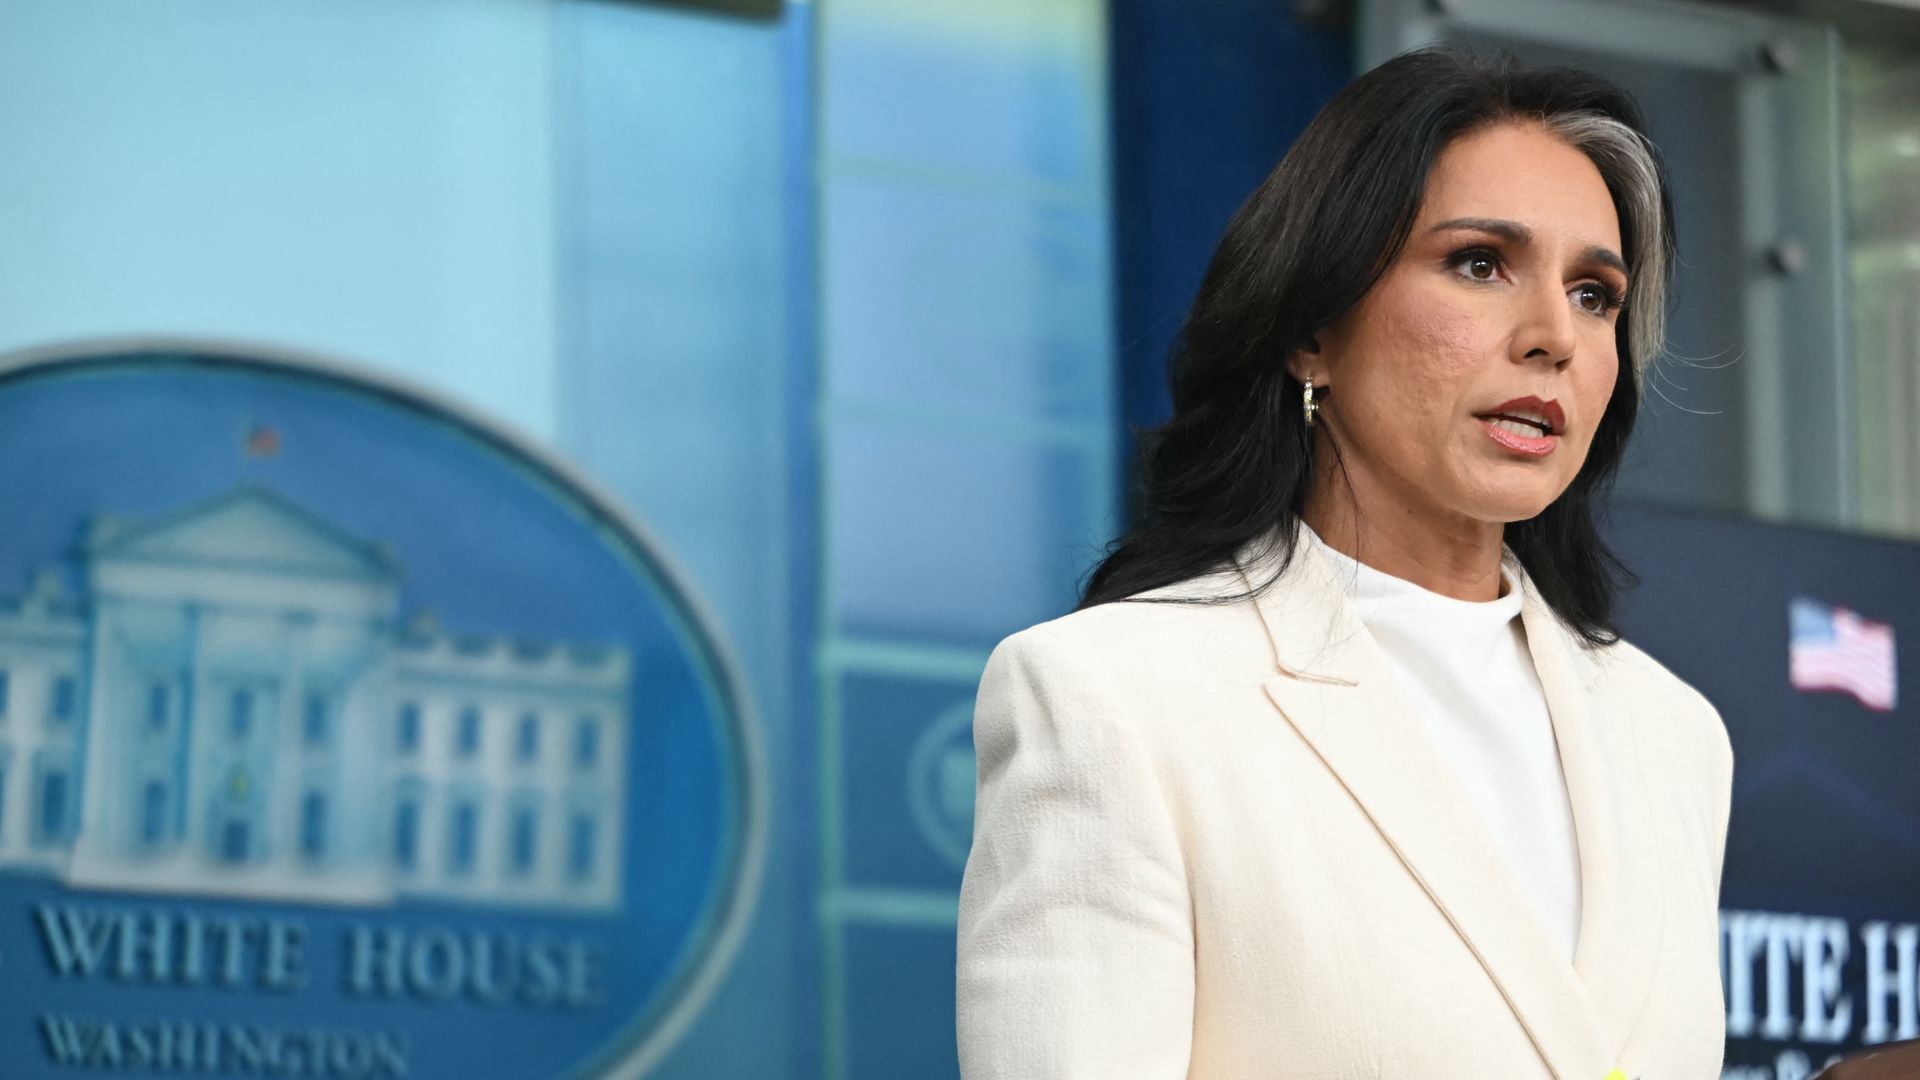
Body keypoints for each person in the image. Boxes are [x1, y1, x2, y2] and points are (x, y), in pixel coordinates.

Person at [955, 45, 1734, 1080]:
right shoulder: (1112, 700)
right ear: (1312, 330)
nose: (1554, 335)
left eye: (1595, 293)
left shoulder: (1675, 735)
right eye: (1479, 264)